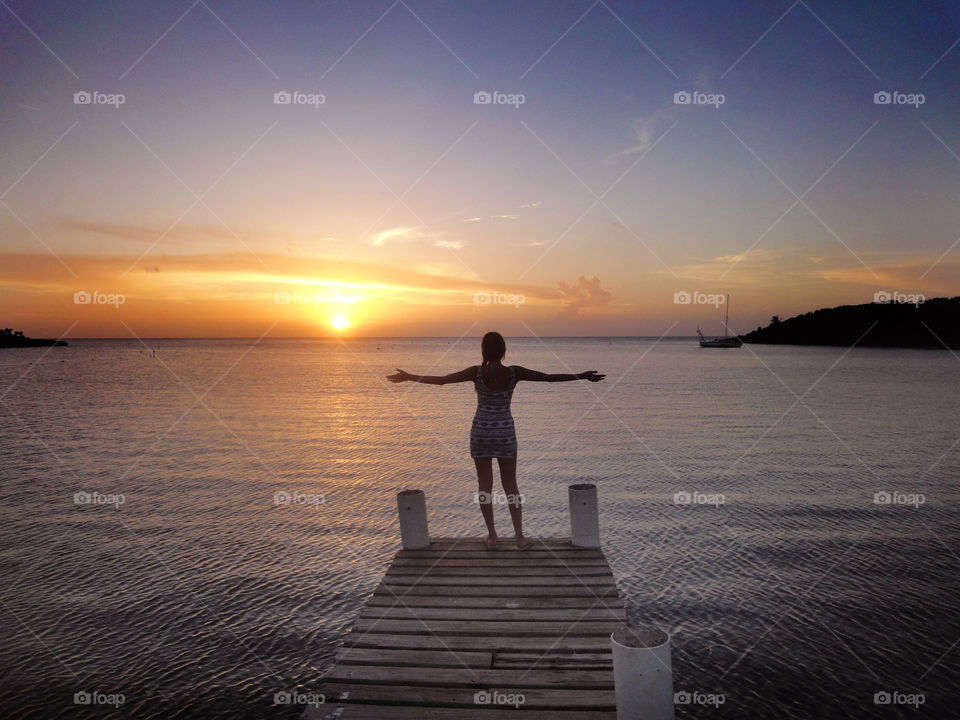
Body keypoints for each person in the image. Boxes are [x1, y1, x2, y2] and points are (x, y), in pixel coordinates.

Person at [386, 332, 604, 550]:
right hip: (505, 433)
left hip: (481, 432)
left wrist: (409, 376)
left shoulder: (476, 372)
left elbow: (442, 380)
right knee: (511, 485)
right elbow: (548, 377)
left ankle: (492, 537)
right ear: (503, 350)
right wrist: (582, 375)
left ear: (483, 350)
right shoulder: (513, 373)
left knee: (484, 486)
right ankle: (519, 538)